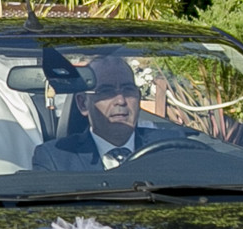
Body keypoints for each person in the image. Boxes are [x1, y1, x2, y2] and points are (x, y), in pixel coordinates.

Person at [31, 53, 189, 172]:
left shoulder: (172, 147)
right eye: (106, 92)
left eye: (128, 90)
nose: (120, 100)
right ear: (83, 103)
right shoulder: (56, 158)